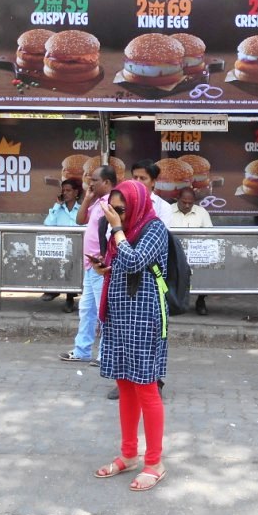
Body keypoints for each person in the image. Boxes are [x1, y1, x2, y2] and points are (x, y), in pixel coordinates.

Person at [93, 179, 169, 491]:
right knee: (124, 385)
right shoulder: (121, 230)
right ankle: (129, 453)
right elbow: (122, 263)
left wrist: (116, 229)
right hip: (119, 313)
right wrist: (104, 267)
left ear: (136, 205)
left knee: (146, 388)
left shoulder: (154, 228)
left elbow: (136, 261)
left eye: (121, 210)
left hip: (145, 315)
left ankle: (154, 462)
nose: (116, 215)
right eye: (112, 210)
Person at [59, 164, 116, 362]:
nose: (90, 184)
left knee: (104, 312)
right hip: (91, 265)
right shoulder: (98, 201)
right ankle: (82, 351)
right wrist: (87, 198)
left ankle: (105, 355)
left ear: (106, 182)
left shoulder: (112, 202)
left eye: (94, 181)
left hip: (102, 266)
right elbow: (80, 219)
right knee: (87, 310)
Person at [170, 187, 213, 315]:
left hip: (196, 251)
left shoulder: (202, 212)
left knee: (207, 266)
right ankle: (173, 302)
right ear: (177, 199)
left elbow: (210, 235)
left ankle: (201, 300)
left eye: (190, 203)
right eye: (184, 202)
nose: (187, 205)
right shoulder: (168, 210)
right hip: (174, 252)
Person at [41, 178, 83, 310]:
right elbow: (47, 224)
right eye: (63, 190)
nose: (65, 193)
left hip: (78, 247)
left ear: (76, 192)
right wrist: (57, 205)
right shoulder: (58, 209)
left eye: (68, 190)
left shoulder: (82, 209)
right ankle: (54, 289)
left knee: (73, 260)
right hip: (60, 246)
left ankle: (70, 298)